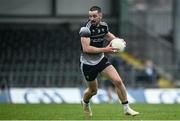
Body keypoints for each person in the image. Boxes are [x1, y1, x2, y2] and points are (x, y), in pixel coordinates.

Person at [79, 6, 139, 116]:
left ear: (100, 16)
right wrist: (106, 49)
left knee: (118, 81)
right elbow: (87, 49)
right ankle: (85, 102)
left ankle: (127, 108)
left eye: (94, 16)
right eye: (90, 16)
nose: (92, 18)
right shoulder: (85, 29)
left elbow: (107, 35)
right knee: (93, 91)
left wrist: (118, 40)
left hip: (101, 60)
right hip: (88, 64)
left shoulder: (104, 25)